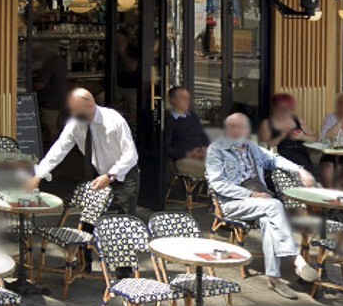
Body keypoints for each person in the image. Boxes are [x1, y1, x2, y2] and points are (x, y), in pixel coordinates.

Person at [206, 112, 315, 299]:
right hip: (231, 203)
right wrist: (251, 194)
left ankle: (274, 279)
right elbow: (218, 185)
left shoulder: (251, 147)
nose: (236, 131)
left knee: (268, 219)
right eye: (232, 127)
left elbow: (274, 159)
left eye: (241, 127)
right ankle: (296, 259)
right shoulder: (216, 150)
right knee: (273, 206)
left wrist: (300, 170)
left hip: (259, 202)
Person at [31, 87, 142, 216]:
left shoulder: (113, 120)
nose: (74, 115)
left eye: (77, 111)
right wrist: (39, 175)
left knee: (123, 222)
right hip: (100, 175)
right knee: (97, 220)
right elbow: (59, 149)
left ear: (90, 105)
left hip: (123, 175)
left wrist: (110, 175)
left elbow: (131, 155)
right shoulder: (75, 123)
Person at [258, 93, 310, 167]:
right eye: (282, 109)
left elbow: (314, 138)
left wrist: (302, 137)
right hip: (279, 156)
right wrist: (281, 136)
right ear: (275, 108)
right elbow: (264, 147)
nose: (285, 112)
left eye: (288, 109)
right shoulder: (267, 123)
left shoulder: (297, 119)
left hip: (300, 154)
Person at [162, 86, 209, 163]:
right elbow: (166, 148)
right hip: (184, 159)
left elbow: (203, 136)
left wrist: (205, 148)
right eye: (183, 98)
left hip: (202, 155)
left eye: (188, 98)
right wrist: (188, 154)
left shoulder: (193, 116)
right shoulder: (169, 121)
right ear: (173, 100)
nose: (187, 101)